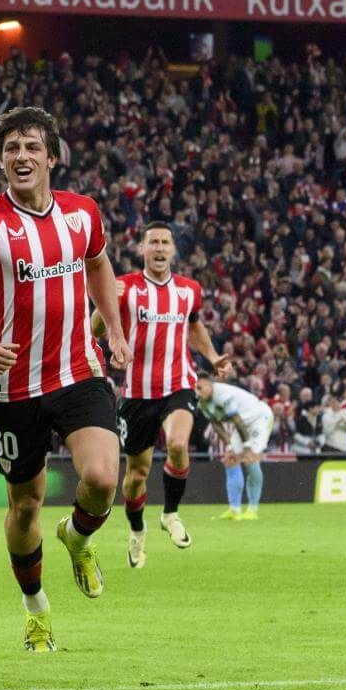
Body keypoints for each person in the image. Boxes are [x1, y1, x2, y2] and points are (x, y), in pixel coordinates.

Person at [0, 106, 131, 653]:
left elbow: (100, 267)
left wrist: (114, 329)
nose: (21, 156)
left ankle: (78, 535)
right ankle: (36, 608)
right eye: (12, 149)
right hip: (14, 388)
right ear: (1, 161)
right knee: (25, 507)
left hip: (79, 370)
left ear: (52, 157)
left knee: (99, 478)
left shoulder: (83, 213)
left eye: (31, 147)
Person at [109, 221, 229, 568]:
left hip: (178, 383)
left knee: (178, 445)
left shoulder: (189, 290)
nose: (159, 248)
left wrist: (212, 357)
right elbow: (101, 323)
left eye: (165, 243)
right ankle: (136, 532)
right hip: (137, 393)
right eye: (153, 243)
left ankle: (171, 513)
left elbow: (192, 325)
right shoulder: (126, 288)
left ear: (173, 250)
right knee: (136, 476)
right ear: (142, 250)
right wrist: (109, 321)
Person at [195, 372, 273, 521]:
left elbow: (236, 421)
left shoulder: (223, 395)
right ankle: (234, 509)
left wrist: (247, 447)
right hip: (242, 424)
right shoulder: (201, 401)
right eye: (195, 388)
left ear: (210, 384)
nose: (197, 392)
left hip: (259, 418)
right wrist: (230, 446)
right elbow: (216, 424)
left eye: (200, 387)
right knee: (230, 460)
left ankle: (252, 510)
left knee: (250, 459)